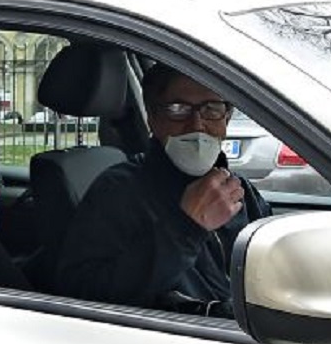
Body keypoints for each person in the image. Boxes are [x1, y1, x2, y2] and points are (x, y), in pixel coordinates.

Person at [55, 62, 270, 317]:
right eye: (178, 109)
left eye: (211, 108)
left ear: (226, 118)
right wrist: (185, 227)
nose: (197, 125)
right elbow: (80, 293)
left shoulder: (241, 192)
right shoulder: (119, 191)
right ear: (153, 120)